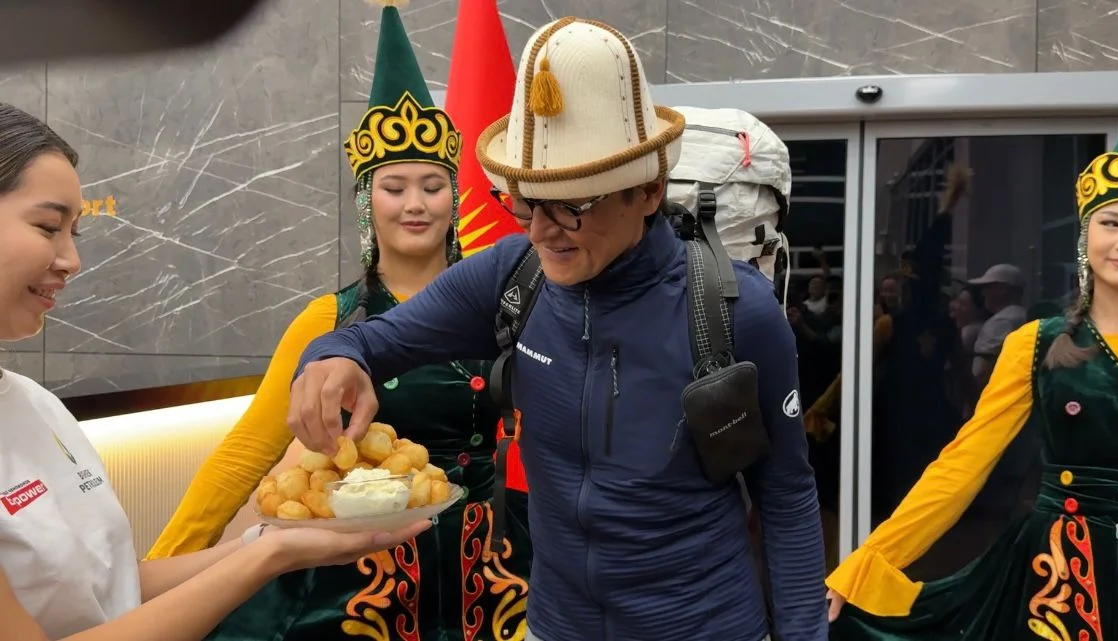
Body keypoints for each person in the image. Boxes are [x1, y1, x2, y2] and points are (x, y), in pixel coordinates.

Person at [284, 16, 827, 641]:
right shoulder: (512, 277)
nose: (540, 231)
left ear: (649, 191)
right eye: (524, 202)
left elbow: (786, 494)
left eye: (573, 204)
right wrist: (328, 363)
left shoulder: (735, 309)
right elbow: (364, 341)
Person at [146, 5, 532, 640]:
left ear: (455, 198)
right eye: (395, 187)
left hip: (486, 564)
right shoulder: (332, 321)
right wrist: (158, 577)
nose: (415, 204)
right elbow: (245, 455)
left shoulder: (504, 303)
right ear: (365, 200)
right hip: (363, 577)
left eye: (433, 186)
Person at [0, 102, 427, 641]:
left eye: (74, 234)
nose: (71, 261)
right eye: (47, 227)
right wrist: (267, 556)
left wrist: (267, 541)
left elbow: (111, 590)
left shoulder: (36, 404)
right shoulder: (330, 317)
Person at [826, 2, 1118, 636]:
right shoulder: (1035, 344)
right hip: (1058, 582)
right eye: (1111, 222)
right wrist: (870, 560)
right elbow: (961, 466)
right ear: (1087, 233)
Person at [968, 263, 1027, 386]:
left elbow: (983, 370)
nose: (983, 293)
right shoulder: (1022, 316)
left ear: (1002, 289)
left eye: (988, 287)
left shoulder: (1002, 321)